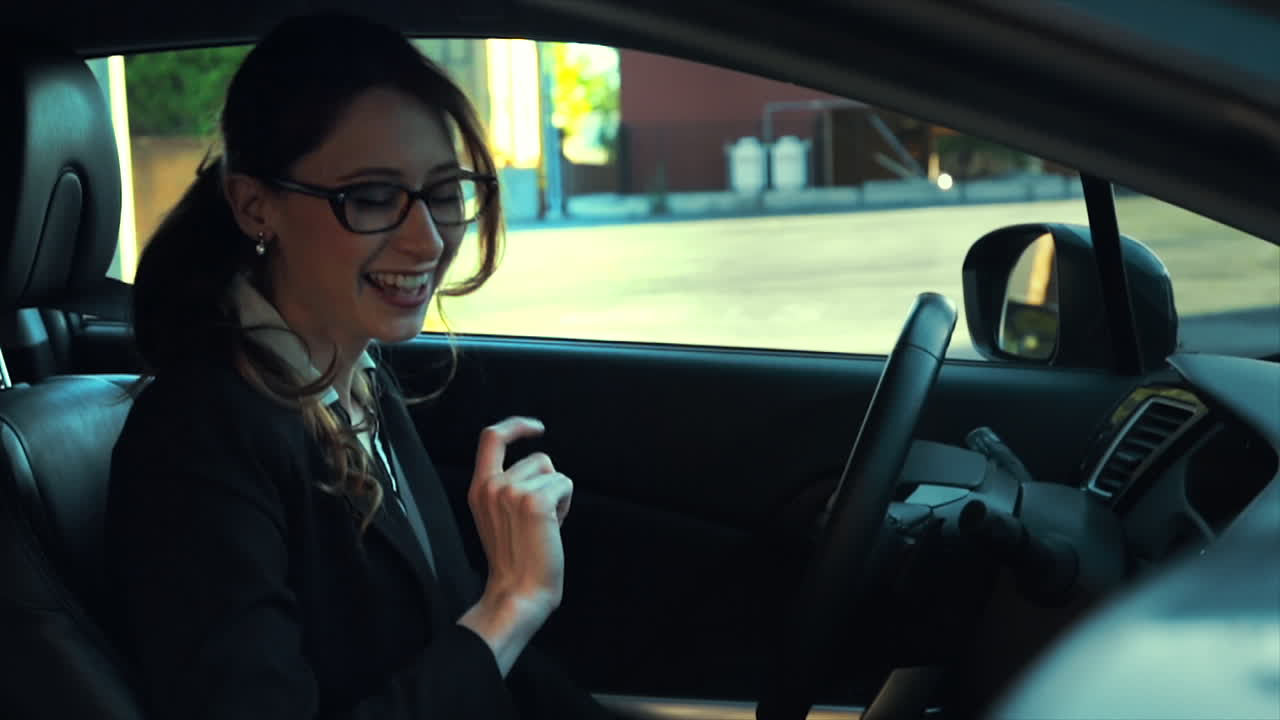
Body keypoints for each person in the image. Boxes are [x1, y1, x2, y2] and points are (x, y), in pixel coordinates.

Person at [106, 13, 615, 719]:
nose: (428, 240)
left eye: (444, 193)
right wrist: (509, 606)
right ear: (256, 206)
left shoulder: (355, 379)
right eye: (371, 198)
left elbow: (468, 657)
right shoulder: (198, 437)